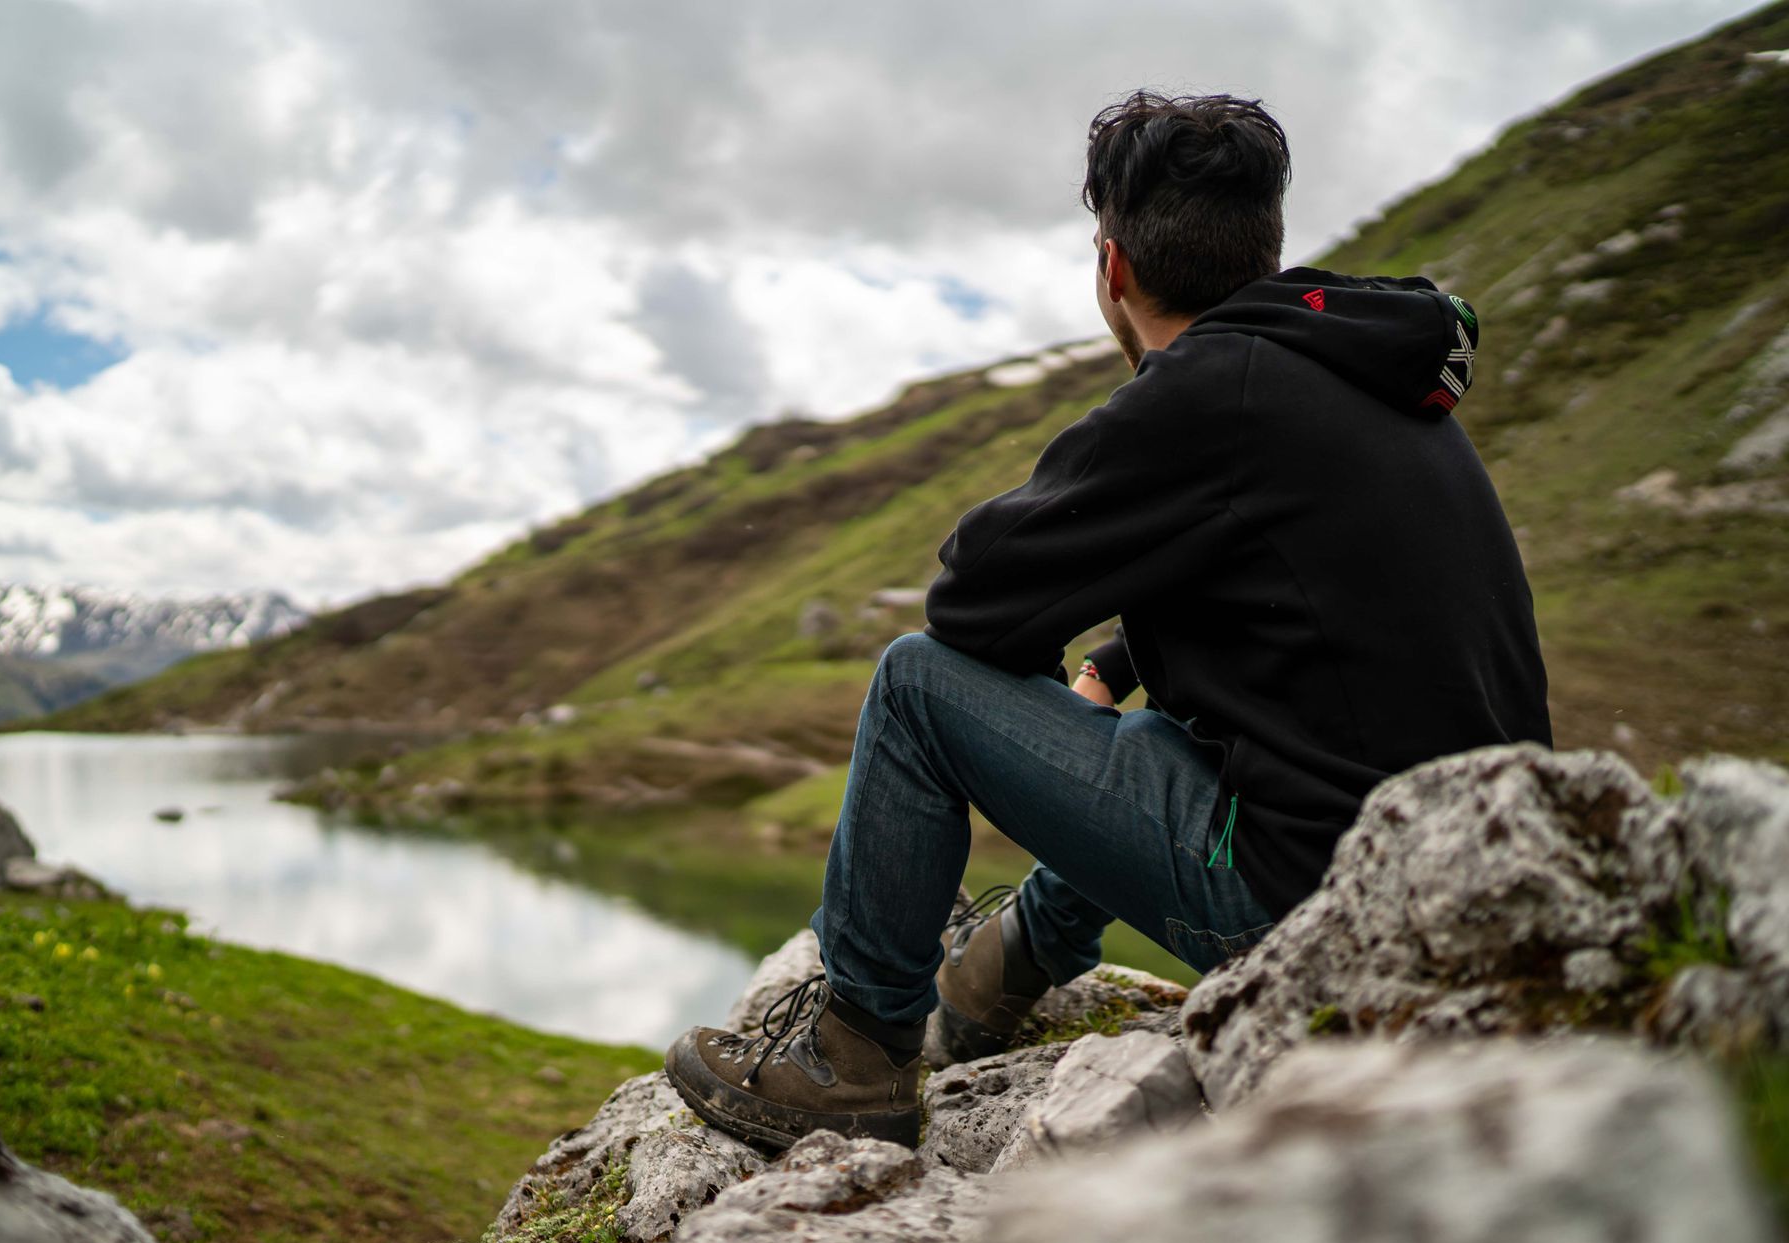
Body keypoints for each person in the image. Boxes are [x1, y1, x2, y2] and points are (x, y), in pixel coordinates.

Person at [663, 91, 1552, 1151]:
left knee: (912, 681)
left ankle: (854, 1054)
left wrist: (1047, 683)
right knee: (1154, 731)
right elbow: (1305, 582)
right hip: (1468, 885)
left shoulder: (1208, 391)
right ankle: (1000, 977)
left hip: (1318, 916)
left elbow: (972, 601)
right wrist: (1113, 665)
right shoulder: (1353, 370)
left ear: (1113, 267)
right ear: (1263, 251)